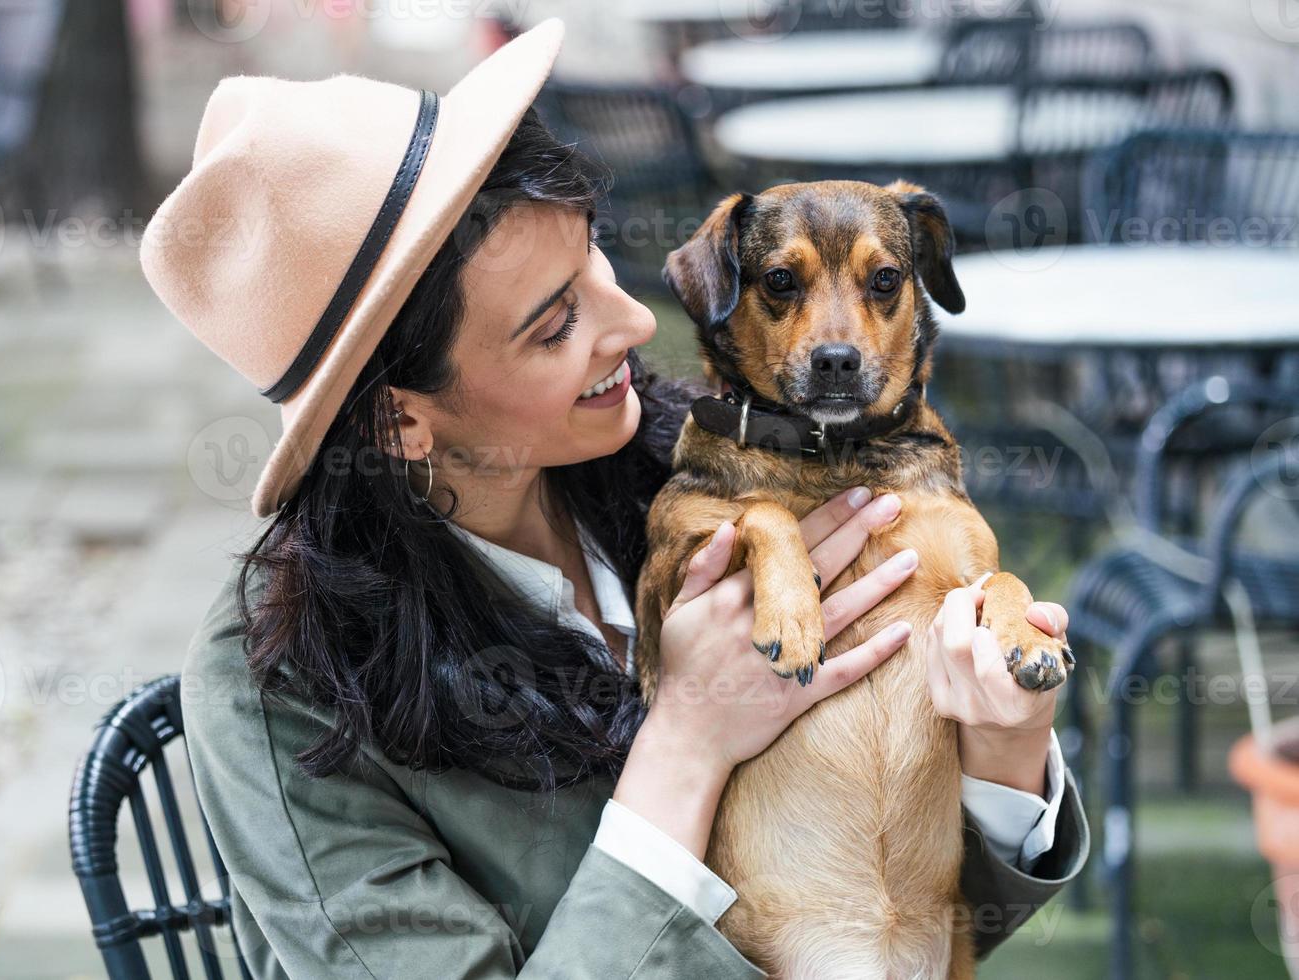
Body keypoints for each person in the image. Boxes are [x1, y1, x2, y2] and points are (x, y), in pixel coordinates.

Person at [140, 20, 1088, 978]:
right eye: (556, 326)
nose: (635, 319)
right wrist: (685, 744)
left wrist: (1007, 747)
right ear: (399, 423)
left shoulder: (694, 467)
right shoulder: (288, 689)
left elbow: (892, 906)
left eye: (594, 260)